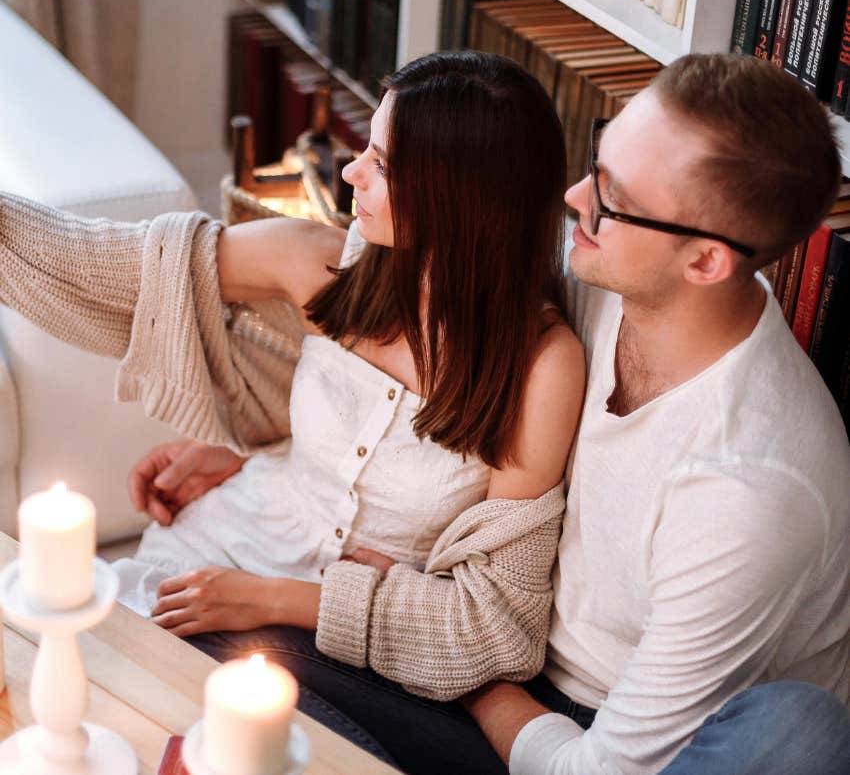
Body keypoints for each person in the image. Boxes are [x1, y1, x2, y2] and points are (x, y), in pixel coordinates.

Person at [138, 53, 850, 775]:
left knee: (802, 727)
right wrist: (283, 455)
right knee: (205, 650)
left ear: (705, 262)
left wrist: (476, 677)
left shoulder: (748, 490)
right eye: (594, 165)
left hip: (592, 724)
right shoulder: (613, 270)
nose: (573, 199)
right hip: (494, 653)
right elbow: (429, 373)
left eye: (612, 195)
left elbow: (597, 769)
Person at [0, 51, 586, 703]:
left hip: (324, 641)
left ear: (462, 199)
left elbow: (500, 626)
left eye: (384, 164)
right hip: (208, 552)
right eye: (368, 147)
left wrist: (271, 600)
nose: (352, 171)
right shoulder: (325, 267)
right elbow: (101, 264)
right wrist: (256, 449)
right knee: (49, 681)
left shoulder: (540, 367)